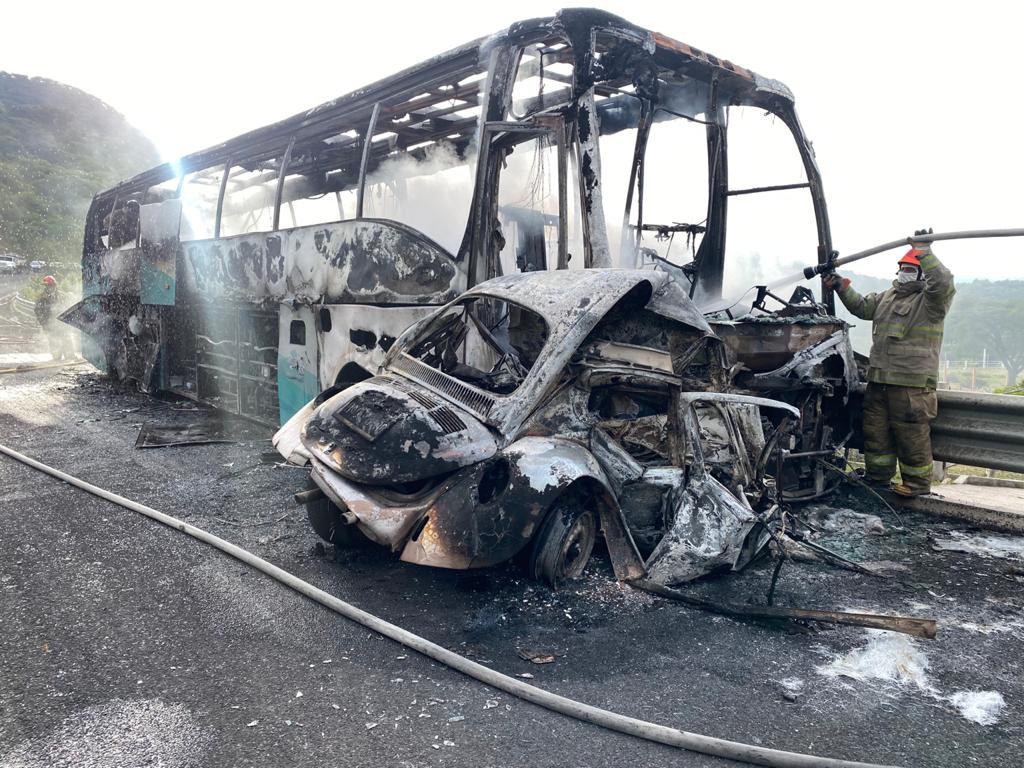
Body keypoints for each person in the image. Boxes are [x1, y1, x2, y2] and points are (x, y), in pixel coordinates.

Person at [824, 232, 955, 496]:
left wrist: (924, 253)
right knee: (876, 433)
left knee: (911, 435)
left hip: (912, 385)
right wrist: (842, 287)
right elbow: (861, 307)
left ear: (921, 274)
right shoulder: (888, 296)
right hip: (880, 381)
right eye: (902, 268)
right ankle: (877, 478)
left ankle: (917, 485)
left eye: (910, 269)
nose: (904, 272)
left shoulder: (931, 303)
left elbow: (942, 283)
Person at [33, 275, 70, 361]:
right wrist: (44, 324)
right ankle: (57, 359)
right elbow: (38, 311)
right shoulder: (42, 298)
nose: (50, 287)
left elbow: (66, 307)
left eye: (51, 285)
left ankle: (69, 357)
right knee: (54, 342)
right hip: (50, 325)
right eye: (48, 286)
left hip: (62, 324)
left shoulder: (61, 296)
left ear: (54, 285)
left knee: (67, 340)